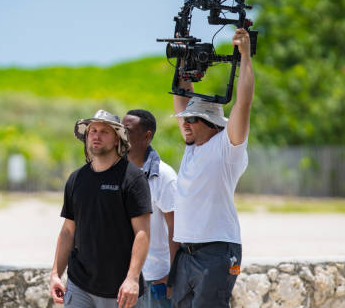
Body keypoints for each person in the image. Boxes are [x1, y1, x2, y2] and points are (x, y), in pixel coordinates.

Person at [167, 28, 254, 307]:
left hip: (217, 251)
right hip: (186, 253)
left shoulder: (228, 147)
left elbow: (244, 103)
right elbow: (182, 96)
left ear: (212, 124)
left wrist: (246, 58)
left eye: (193, 119)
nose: (186, 124)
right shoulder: (193, 147)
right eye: (186, 120)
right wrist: (184, 56)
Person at [50, 109, 153, 308]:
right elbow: (68, 231)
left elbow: (142, 233)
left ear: (117, 139)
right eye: (92, 131)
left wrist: (132, 279)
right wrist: (56, 274)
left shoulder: (133, 178)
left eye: (104, 132)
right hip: (79, 285)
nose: (96, 136)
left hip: (121, 290)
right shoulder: (76, 179)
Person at [122, 109, 178, 308]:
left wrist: (173, 275)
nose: (122, 135)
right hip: (121, 279)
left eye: (127, 130)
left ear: (147, 136)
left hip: (155, 279)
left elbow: (176, 227)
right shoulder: (115, 172)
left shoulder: (164, 175)